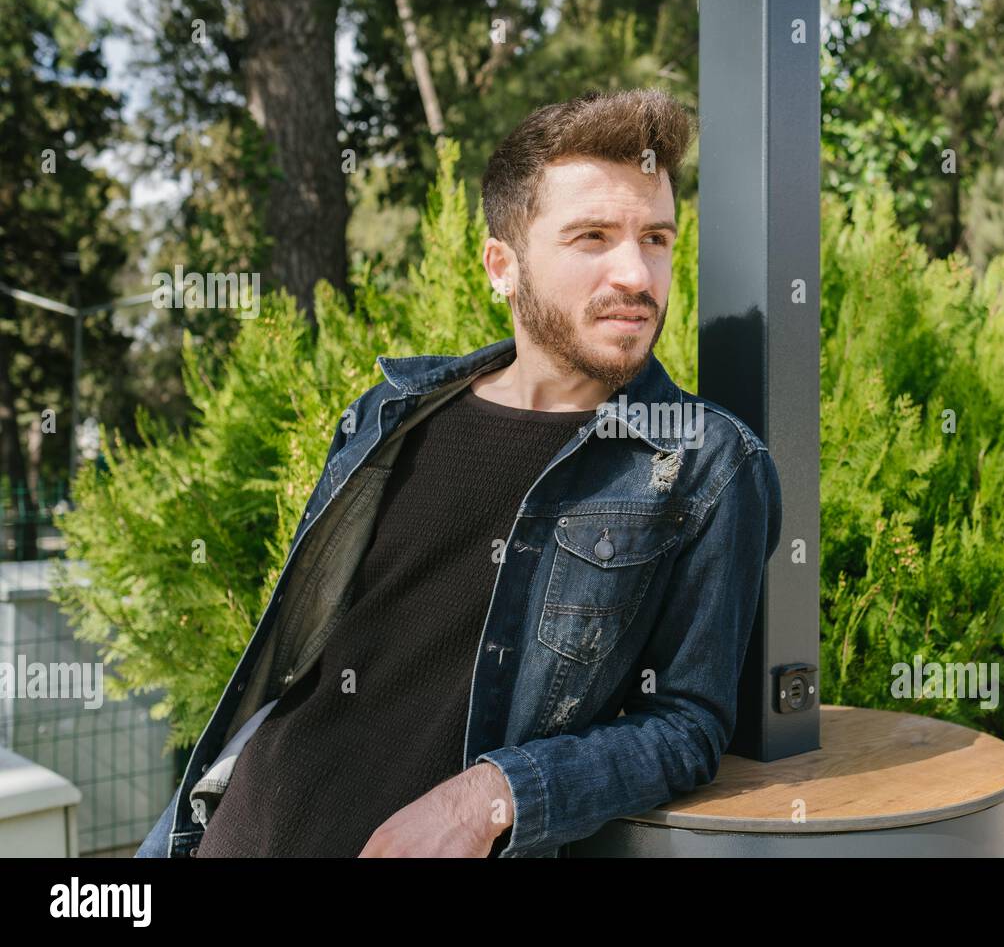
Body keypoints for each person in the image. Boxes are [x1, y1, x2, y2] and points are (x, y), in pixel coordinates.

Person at [136, 88, 782, 858]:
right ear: (501, 266)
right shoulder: (391, 411)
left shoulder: (705, 464)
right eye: (592, 237)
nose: (636, 275)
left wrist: (495, 795)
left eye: (656, 238)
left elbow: (687, 727)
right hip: (230, 833)